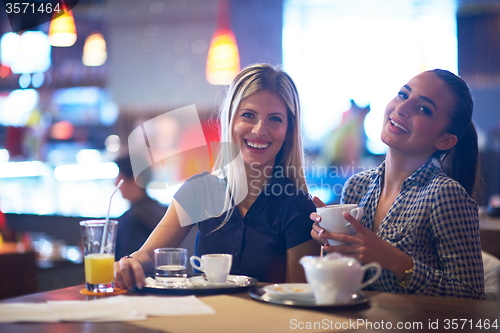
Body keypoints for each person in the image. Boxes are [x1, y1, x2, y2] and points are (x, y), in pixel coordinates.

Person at [115, 63, 320, 289]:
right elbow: (149, 255)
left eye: (275, 119)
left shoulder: (298, 207)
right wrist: (129, 264)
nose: (260, 129)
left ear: (289, 131)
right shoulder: (200, 190)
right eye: (248, 115)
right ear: (230, 121)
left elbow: (298, 299)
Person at [311, 69, 485, 299]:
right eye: (403, 95)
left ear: (445, 140)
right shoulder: (357, 186)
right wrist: (332, 246)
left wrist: (395, 260)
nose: (401, 109)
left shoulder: (444, 194)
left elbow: (472, 298)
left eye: (424, 109)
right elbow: (346, 286)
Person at [113, 154, 167, 260]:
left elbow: (125, 263)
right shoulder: (161, 210)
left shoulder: (133, 219)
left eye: (120, 176)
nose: (116, 183)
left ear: (136, 180)